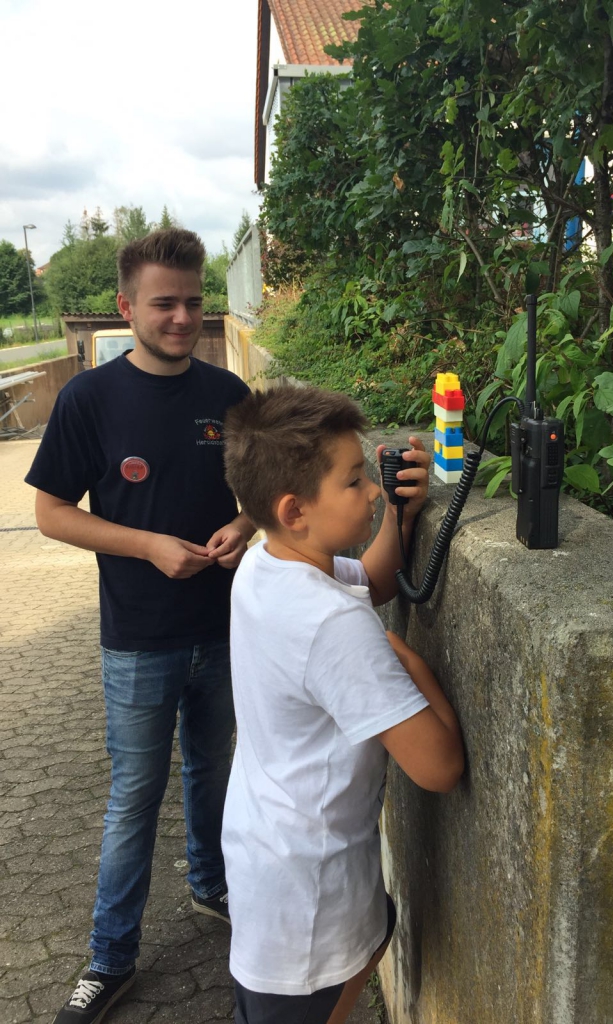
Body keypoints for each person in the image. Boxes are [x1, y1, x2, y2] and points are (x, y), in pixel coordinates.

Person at [25, 229, 256, 1024]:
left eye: (193, 302)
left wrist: (245, 523)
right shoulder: (88, 399)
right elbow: (52, 513)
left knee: (214, 773)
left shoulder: (228, 393)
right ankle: (109, 958)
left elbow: (264, 491)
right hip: (136, 640)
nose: (183, 317)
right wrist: (148, 545)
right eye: (164, 304)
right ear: (126, 308)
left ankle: (212, 888)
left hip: (223, 630)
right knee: (134, 799)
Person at [221, 385, 464, 1024]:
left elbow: (372, 582)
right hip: (309, 905)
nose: (373, 491)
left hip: (272, 855)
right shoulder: (333, 625)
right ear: (295, 510)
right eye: (355, 481)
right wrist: (404, 658)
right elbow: (439, 767)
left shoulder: (265, 564)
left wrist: (401, 519)